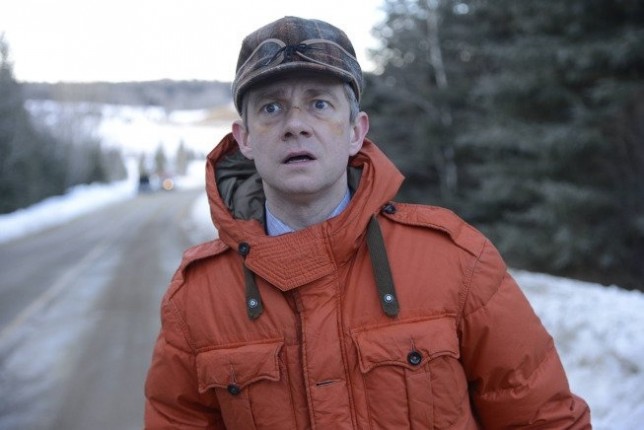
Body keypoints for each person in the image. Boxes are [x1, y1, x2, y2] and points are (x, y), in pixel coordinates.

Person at [144, 16, 591, 429]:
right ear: (243, 139)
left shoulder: (454, 260)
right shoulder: (197, 296)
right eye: (271, 108)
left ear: (356, 131)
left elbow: (544, 420)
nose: (296, 124)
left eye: (319, 104)